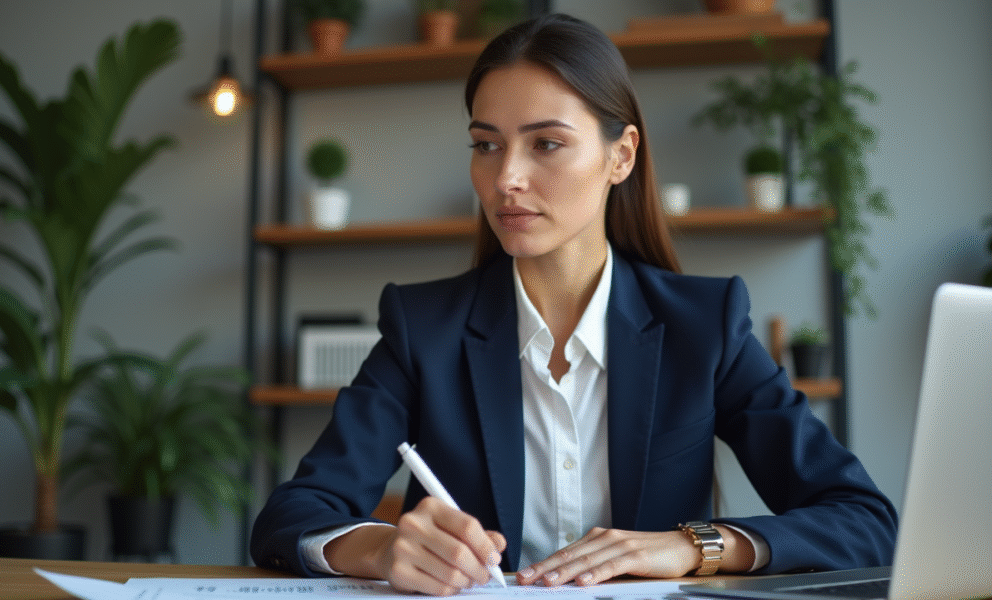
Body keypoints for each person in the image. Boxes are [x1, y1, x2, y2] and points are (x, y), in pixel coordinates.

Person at [250, 13, 898, 596]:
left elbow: (864, 519)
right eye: (486, 144)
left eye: (546, 144)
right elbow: (293, 516)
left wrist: (692, 546)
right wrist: (381, 546)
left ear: (621, 156)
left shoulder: (705, 325)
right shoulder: (424, 329)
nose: (506, 178)